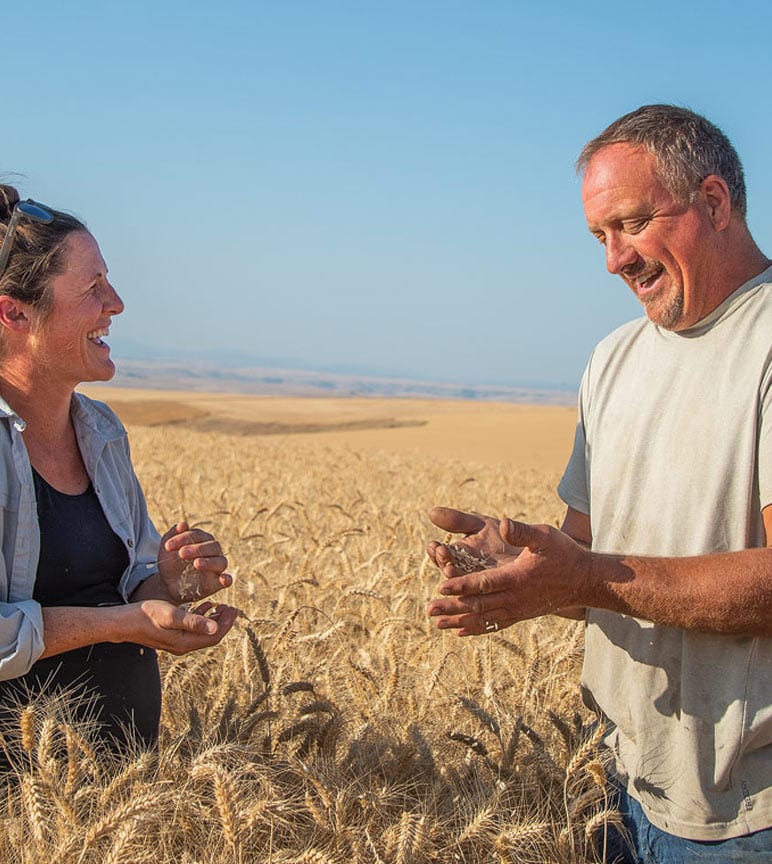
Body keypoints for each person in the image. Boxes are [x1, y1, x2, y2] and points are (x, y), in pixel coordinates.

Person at [426, 105, 771, 862]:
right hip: (613, 782)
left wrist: (588, 575)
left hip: (746, 812)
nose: (614, 260)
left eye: (633, 224)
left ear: (714, 202)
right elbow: (584, 556)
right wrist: (520, 572)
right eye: (599, 237)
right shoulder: (613, 360)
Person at [0, 184, 240, 757]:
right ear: (15, 312)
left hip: (117, 793)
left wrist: (175, 582)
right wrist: (121, 624)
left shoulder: (101, 432)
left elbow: (128, 586)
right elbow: (115, 613)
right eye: (92, 287)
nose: (117, 303)